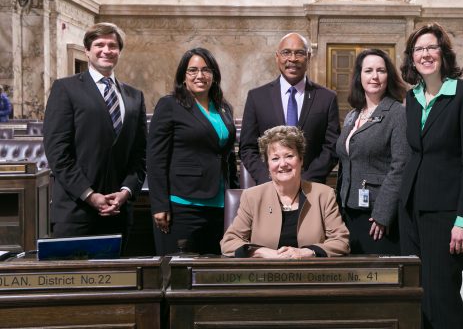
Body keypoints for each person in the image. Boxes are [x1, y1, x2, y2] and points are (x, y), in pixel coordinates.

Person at [399, 22, 463, 329]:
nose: (425, 55)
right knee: (415, 292)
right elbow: (414, 153)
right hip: (410, 209)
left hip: (445, 212)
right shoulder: (411, 98)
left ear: (443, 53)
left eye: (431, 48)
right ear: (411, 58)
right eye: (418, 50)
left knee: (443, 293)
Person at [43, 22, 147, 242]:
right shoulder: (66, 88)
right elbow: (58, 153)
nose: (106, 50)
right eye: (99, 44)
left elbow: (140, 154)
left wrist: (126, 192)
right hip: (76, 211)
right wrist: (90, 195)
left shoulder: (134, 96)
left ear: (119, 51)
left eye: (113, 45)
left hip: (119, 211)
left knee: (119, 277)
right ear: (87, 51)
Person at [147, 47, 238, 255]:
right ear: (183, 76)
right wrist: (160, 205)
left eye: (206, 70)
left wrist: (235, 191)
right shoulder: (169, 105)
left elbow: (227, 154)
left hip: (219, 204)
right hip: (182, 204)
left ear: (214, 75)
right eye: (193, 70)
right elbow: (156, 159)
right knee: (180, 274)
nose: (200, 75)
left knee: (212, 274)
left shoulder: (223, 107)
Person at [221, 125, 349, 258]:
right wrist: (261, 252)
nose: (282, 164)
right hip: (263, 275)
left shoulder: (324, 195)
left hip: (310, 274)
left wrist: (307, 252)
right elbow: (229, 243)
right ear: (268, 165)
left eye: (289, 156)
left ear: (301, 160)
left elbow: (341, 241)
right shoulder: (252, 197)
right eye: (275, 158)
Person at [239, 32, 340, 185]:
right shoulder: (257, 97)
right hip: (268, 188)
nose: (292, 59)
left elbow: (332, 147)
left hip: (311, 188)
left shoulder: (326, 98)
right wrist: (268, 179)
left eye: (299, 53)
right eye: (286, 52)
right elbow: (247, 148)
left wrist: (306, 180)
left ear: (309, 57)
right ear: (277, 57)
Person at [336, 49, 409, 255]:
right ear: (359, 77)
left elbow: (400, 167)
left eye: (381, 71)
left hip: (376, 216)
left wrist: (383, 214)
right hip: (348, 210)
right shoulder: (353, 115)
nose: (374, 76)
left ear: (389, 76)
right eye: (368, 70)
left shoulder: (397, 113)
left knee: (377, 278)